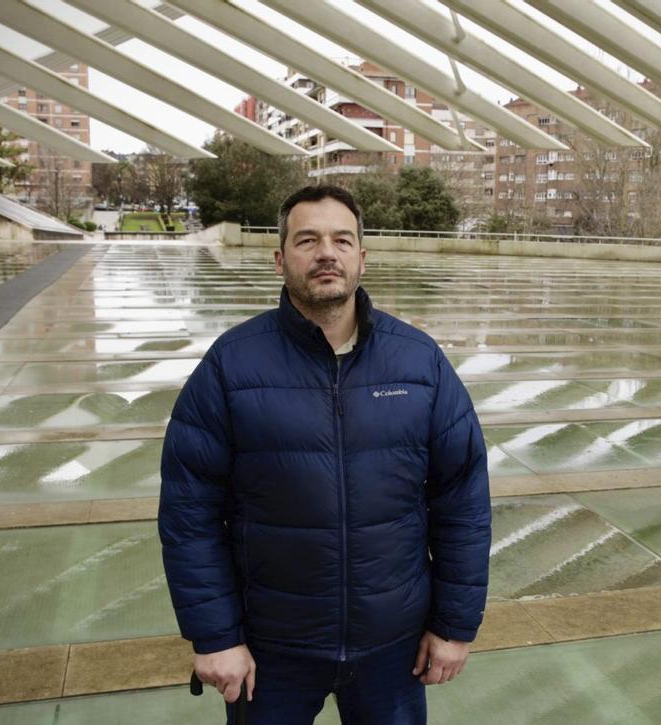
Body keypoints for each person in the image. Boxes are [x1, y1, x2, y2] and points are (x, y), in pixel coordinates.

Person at [159, 185, 491, 724]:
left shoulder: (419, 362)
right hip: (271, 649)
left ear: (363, 256)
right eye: (307, 239)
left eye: (342, 239)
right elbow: (189, 515)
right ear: (280, 259)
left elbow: (463, 503)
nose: (326, 253)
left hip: (393, 647)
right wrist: (216, 636)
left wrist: (453, 626)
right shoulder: (231, 366)